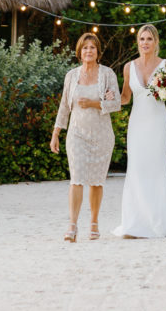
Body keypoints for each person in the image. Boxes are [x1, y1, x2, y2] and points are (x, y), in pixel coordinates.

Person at [50, 31, 120, 242]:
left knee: (97, 182)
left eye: (92, 47)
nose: (89, 51)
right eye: (85, 48)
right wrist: (56, 134)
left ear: (98, 52)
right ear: (79, 52)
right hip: (77, 133)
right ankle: (72, 226)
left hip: (102, 134)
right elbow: (64, 106)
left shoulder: (108, 74)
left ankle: (94, 223)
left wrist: (94, 103)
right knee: (77, 178)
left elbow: (116, 103)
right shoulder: (71, 76)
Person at [113, 23, 166, 238]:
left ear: (156, 42)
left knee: (156, 168)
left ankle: (158, 223)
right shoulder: (128, 67)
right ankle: (135, 223)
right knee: (137, 168)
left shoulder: (165, 66)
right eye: (142, 39)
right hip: (137, 123)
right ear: (137, 42)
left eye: (149, 39)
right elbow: (125, 98)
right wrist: (105, 100)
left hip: (158, 123)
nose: (145, 43)